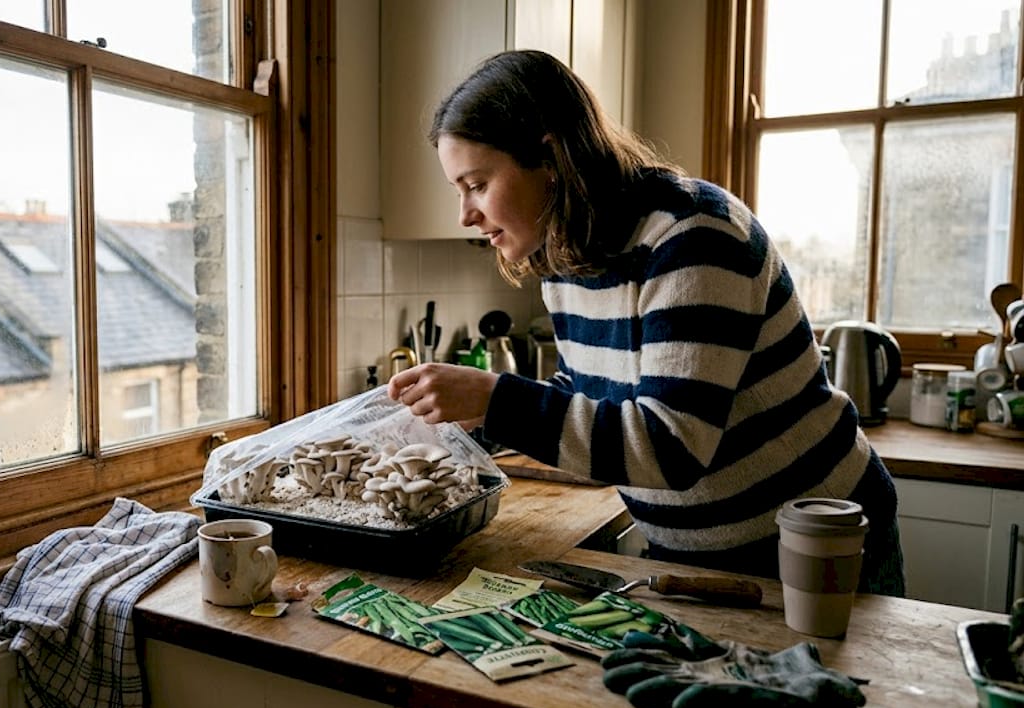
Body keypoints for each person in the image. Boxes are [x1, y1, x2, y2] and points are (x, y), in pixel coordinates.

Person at [386, 50, 905, 596]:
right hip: (692, 553)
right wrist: (475, 422)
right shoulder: (565, 256)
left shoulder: (694, 235)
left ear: (551, 158)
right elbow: (588, 393)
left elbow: (671, 446)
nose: (464, 214)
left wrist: (497, 400)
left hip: (814, 545)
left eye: (476, 184)